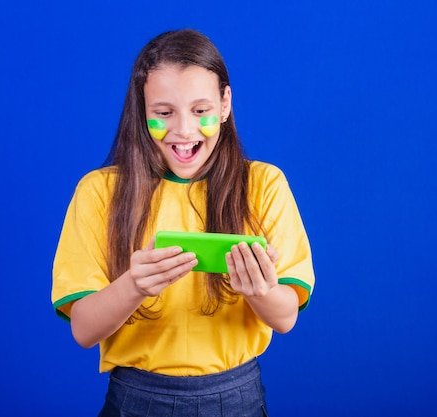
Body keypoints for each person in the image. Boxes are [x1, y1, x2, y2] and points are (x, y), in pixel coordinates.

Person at [52, 29, 315, 417]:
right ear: (141, 109)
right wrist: (134, 285)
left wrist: (257, 290)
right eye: (163, 112)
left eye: (200, 110)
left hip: (237, 399)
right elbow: (83, 331)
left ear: (225, 104)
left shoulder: (265, 185)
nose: (184, 131)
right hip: (135, 399)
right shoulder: (98, 192)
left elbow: (285, 317)